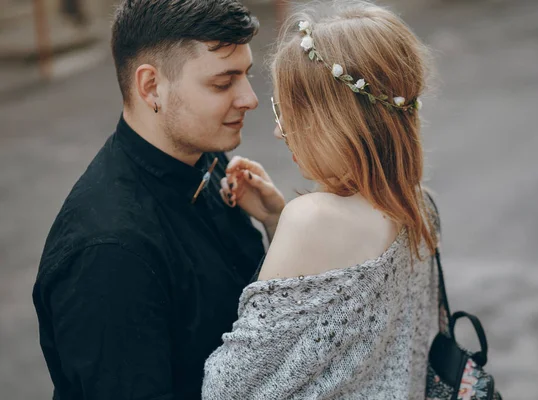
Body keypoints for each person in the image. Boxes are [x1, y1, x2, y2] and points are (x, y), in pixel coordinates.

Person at [32, 1, 286, 399]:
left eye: (246, 76)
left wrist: (276, 224)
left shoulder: (207, 158)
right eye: (224, 82)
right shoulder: (109, 255)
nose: (250, 99)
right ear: (151, 87)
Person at [202, 1, 441, 399]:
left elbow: (227, 390)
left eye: (290, 111)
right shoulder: (420, 208)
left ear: (337, 117)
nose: (280, 131)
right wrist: (277, 220)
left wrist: (292, 224)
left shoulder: (313, 220)